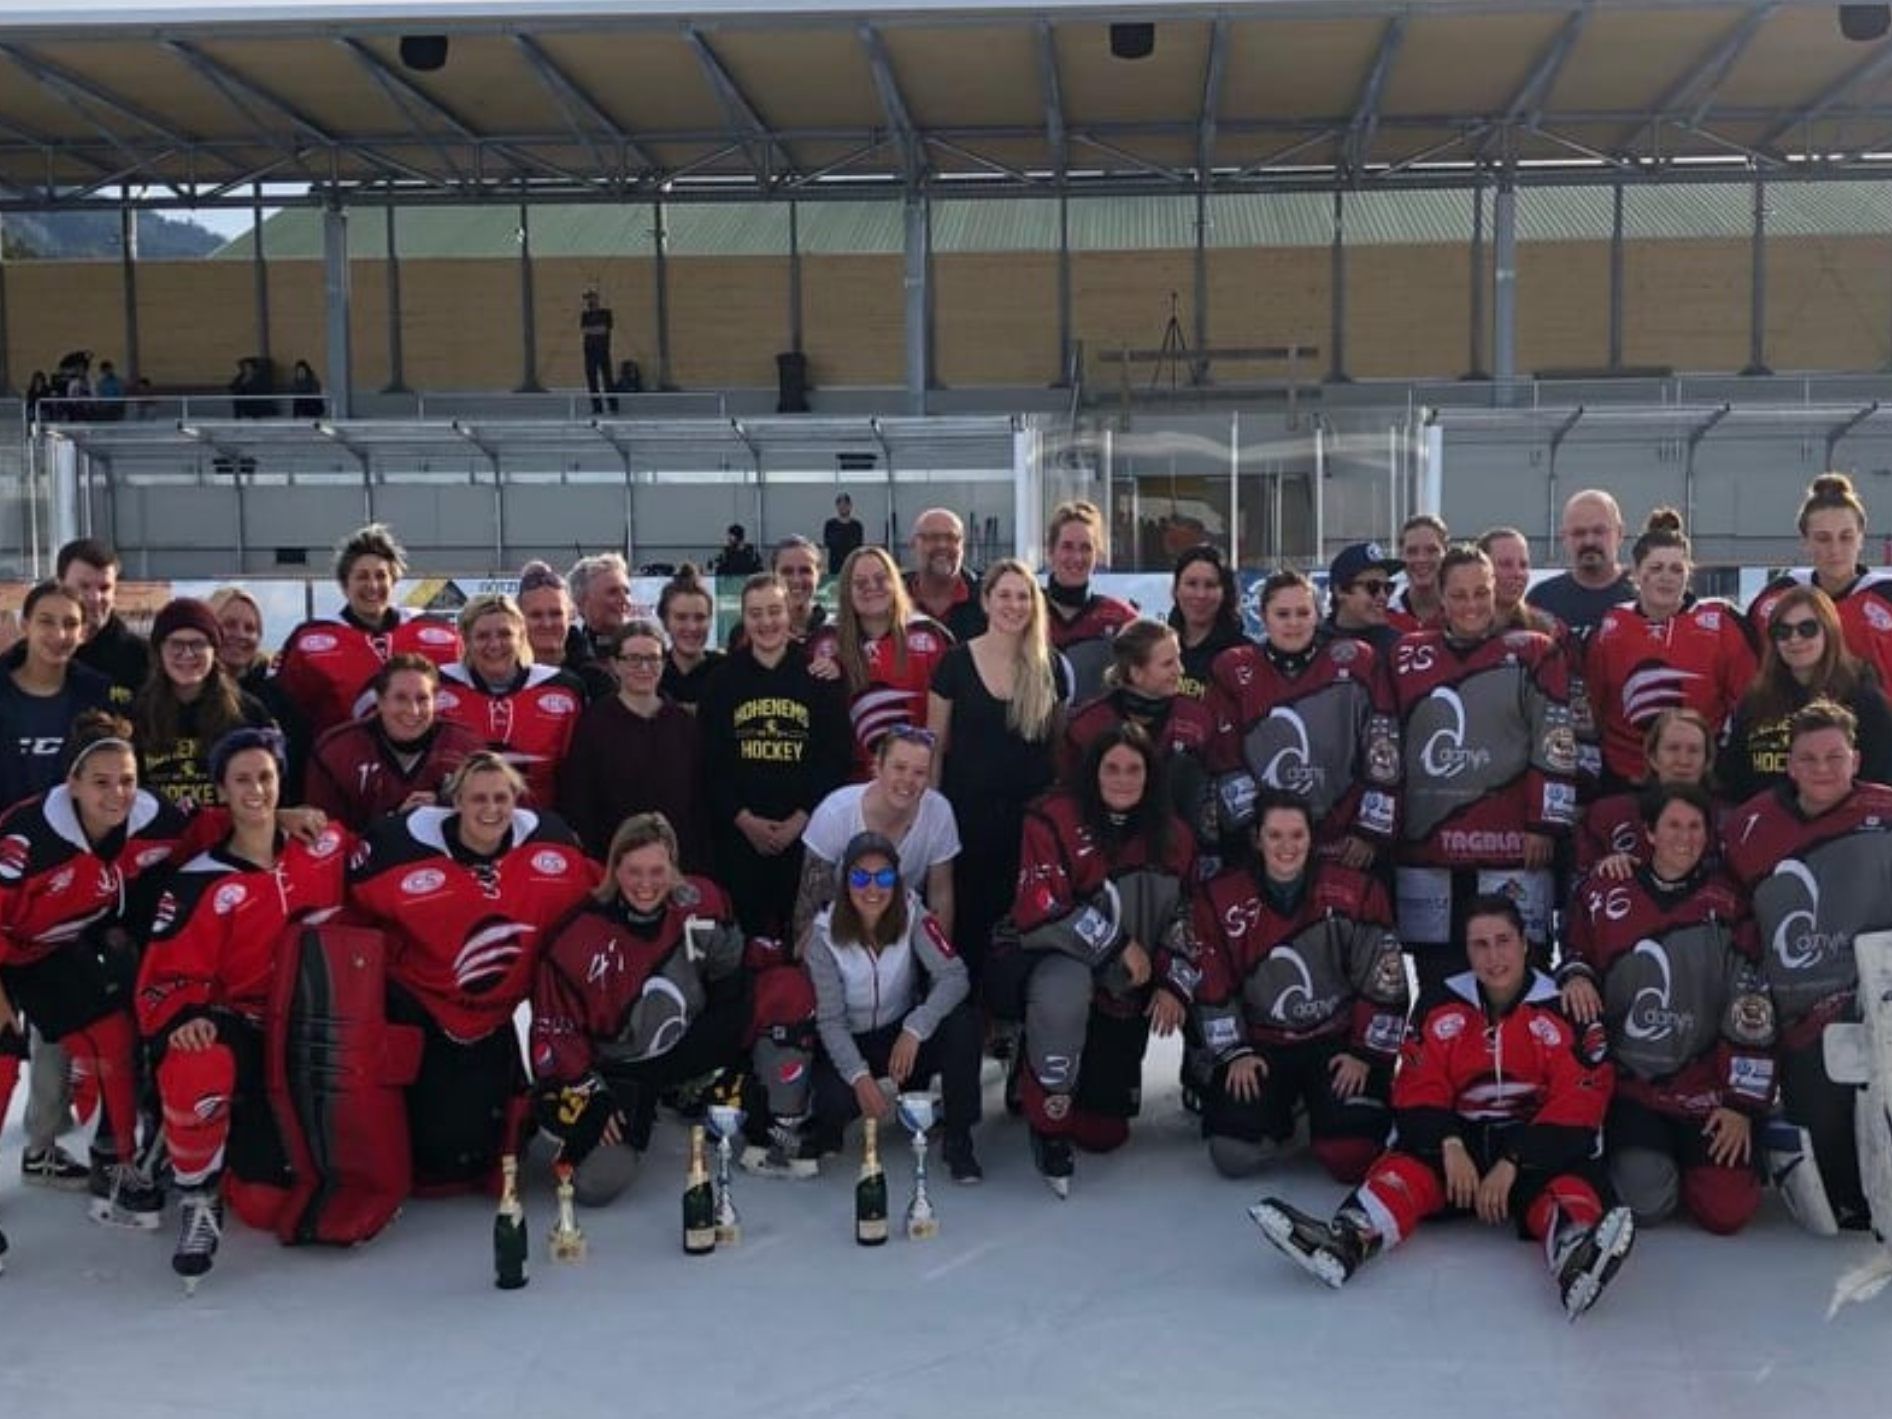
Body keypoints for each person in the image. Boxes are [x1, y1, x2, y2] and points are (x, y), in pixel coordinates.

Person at [1250, 895, 1634, 1320]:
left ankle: (1574, 1252)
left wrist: (1512, 1161)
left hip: (1534, 1146)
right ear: (1467, 951)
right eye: (1480, 945)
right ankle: (1348, 1239)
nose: (1493, 956)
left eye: (1503, 941)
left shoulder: (1567, 1006)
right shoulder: (1439, 1001)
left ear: (1526, 943)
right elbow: (1417, 1086)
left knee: (1570, 1183)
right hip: (1461, 1143)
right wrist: (1450, 1145)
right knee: (1404, 1170)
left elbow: (1580, 1101)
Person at [137, 728, 348, 1282]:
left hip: (319, 1033)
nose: (256, 789)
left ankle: (220, 1143)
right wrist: (184, 1018)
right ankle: (196, 1188)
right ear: (221, 791)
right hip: (247, 1034)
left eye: (266, 777)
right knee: (195, 1057)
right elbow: (162, 979)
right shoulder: (199, 883)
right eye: (242, 779)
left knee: (277, 1204)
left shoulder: (324, 846)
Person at [0, 713, 217, 1231]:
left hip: (53, 949)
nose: (117, 793)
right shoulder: (26, 837)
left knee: (115, 1036)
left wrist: (285, 816)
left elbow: (213, 829)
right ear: (71, 783)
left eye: (126, 779)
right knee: (4, 1062)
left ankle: (119, 1165)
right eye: (100, 782)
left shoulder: (152, 818)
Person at [529, 812, 819, 1200]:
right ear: (615, 868)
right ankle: (665, 1102)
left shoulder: (700, 904)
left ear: (673, 867)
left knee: (788, 987)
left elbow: (734, 966)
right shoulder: (579, 935)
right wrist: (589, 1093)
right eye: (634, 871)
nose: (646, 884)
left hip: (686, 1044)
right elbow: (553, 1027)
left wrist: (786, 957)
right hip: (623, 1071)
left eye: (657, 871)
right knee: (594, 1183)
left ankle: (778, 1121)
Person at [347, 752, 593, 1192]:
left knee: (473, 1150)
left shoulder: (552, 845)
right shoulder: (396, 847)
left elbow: (600, 900)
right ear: (455, 801)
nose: (491, 808)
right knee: (430, 1151)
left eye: (502, 797)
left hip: (501, 1019)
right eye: (478, 798)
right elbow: (350, 912)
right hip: (424, 1010)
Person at [1560, 784, 1774, 1235]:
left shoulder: (1730, 906)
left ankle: (1731, 1155)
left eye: (1695, 826)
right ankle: (1649, 1158)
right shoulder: (1605, 890)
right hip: (1634, 1089)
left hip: (1706, 1090)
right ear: (1649, 833)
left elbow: (1751, 1004)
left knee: (1727, 1212)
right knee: (1648, 1204)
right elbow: (1575, 948)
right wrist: (1576, 974)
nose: (1685, 836)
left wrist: (1741, 1104)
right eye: (1673, 825)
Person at [998, 725, 1195, 1194]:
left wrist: (1173, 982)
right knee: (1064, 988)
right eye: (1111, 768)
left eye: (1134, 769)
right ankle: (1047, 1119)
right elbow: (1040, 908)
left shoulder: (1175, 837)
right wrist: (1116, 943)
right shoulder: (1051, 818)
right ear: (1092, 771)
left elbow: (1190, 914)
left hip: (1127, 985)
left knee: (1104, 1133)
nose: (1123, 779)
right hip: (1052, 959)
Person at [1723, 700, 1892, 1232]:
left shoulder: (1886, 812)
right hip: (1800, 1015)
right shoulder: (1750, 826)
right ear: (1789, 765)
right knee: (1829, 1154)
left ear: (1856, 759)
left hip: (1879, 998)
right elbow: (1731, 913)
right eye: (1809, 758)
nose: (1823, 768)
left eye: (1834, 757)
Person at [1387, 545, 1577, 990]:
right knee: (1439, 982)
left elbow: (1555, 742)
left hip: (1513, 848)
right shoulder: (1406, 655)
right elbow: (1385, 746)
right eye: (1459, 595)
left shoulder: (1536, 651)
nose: (1471, 605)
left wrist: (1545, 824)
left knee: (1518, 978)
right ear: (1441, 596)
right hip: (1428, 852)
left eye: (1481, 592)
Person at [1191, 795, 1406, 1181]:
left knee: (1352, 1156)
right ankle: (1291, 1111)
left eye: (1296, 835)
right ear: (1257, 839)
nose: (1286, 847)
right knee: (1232, 1155)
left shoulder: (1356, 892)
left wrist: (1364, 1052)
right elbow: (1211, 979)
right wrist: (1234, 1051)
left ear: (1311, 838)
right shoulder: (1220, 897)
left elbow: (1384, 976)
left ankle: (1320, 1106)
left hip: (1334, 1041)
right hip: (1263, 1044)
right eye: (1274, 835)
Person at [0, 582, 110, 1191]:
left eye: (70, 623)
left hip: (66, 875)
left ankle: (41, 1143)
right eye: (47, 621)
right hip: (4, 876)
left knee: (56, 1022)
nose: (59, 634)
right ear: (24, 624)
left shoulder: (92, 692)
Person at [805, 830, 982, 1181]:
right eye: (860, 877)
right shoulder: (822, 935)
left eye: (884, 877)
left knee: (964, 1023)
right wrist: (859, 1076)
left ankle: (959, 1138)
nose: (873, 889)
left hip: (900, 1032)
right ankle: (828, 1126)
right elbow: (830, 1021)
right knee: (833, 1100)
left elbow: (954, 975)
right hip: (852, 1039)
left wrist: (916, 1028)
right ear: (845, 881)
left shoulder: (913, 912)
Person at [927, 559, 1070, 983]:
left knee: (1023, 933)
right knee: (969, 927)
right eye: (1004, 595)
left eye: (1023, 596)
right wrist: (932, 815)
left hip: (1030, 830)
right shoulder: (954, 663)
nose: (1014, 605)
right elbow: (935, 748)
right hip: (968, 822)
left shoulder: (1053, 668)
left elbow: (1059, 751)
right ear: (986, 601)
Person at [1208, 572, 1399, 868]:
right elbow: (1225, 757)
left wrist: (1370, 829)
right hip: (1267, 844)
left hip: (1344, 844)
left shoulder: (1359, 662)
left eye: (1303, 612)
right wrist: (1252, 828)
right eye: (1282, 614)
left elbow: (1383, 747)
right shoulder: (1233, 668)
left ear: (1317, 615)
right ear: (1262, 616)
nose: (1293, 623)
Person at [698, 573, 851, 937]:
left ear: (789, 613)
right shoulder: (721, 680)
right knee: (743, 941)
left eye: (774, 611)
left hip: (805, 834)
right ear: (744, 619)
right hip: (740, 836)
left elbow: (834, 758)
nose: (766, 622)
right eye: (755, 613)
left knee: (804, 940)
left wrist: (800, 819)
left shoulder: (819, 677)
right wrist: (744, 819)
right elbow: (709, 760)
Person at [1584, 509, 1756, 790]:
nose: (1667, 577)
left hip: (1698, 777)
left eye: (1676, 569)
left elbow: (1746, 702)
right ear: (1636, 574)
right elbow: (1595, 705)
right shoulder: (1612, 626)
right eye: (1656, 568)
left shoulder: (1721, 623)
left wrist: (1721, 762)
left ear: (1688, 575)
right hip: (1625, 776)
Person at [274, 523, 461, 736]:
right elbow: (289, 716)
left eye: (381, 576)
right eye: (362, 576)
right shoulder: (309, 639)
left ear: (394, 581)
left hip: (424, 760)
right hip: (345, 760)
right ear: (345, 584)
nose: (372, 585)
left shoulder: (435, 630)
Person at [557, 619, 709, 869]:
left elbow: (699, 803)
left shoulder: (683, 725)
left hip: (676, 865)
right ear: (615, 664)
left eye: (653, 658)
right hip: (612, 865)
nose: (644, 667)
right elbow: (579, 801)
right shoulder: (593, 724)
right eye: (634, 658)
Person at [1723, 584, 1892, 803]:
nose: (1795, 639)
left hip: (1844, 832)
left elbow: (1879, 785)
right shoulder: (1755, 701)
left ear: (1829, 630)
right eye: (1783, 631)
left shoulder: (1865, 701)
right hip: (1770, 828)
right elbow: (1736, 780)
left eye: (1807, 629)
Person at [1060, 620, 1215, 850]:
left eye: (1179, 659)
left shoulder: (1197, 719)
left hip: (1176, 852)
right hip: (1104, 848)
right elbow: (1068, 796)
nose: (1180, 670)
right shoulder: (1087, 725)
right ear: (1136, 673)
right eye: (1167, 664)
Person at [794, 724, 958, 942]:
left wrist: (938, 966)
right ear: (877, 767)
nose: (908, 780)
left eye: (919, 773)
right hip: (839, 932)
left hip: (902, 934)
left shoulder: (939, 812)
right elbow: (809, 909)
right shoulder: (834, 813)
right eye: (899, 768)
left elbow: (940, 899)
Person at [808, 546, 953, 775]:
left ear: (895, 583)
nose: (871, 588)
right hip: (849, 786)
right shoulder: (824, 641)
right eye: (860, 582)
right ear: (847, 590)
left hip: (915, 783)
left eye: (880, 579)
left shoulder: (930, 636)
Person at [433, 593, 586, 808]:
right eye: (483, 636)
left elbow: (578, 774)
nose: (495, 645)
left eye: (505, 634)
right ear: (466, 640)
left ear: (522, 636)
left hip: (538, 823)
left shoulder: (562, 689)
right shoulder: (438, 686)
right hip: (459, 823)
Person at [1481, 525, 1603, 787]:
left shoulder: (1552, 630)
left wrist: (1582, 779)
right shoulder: (1454, 628)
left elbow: (1579, 710)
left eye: (1523, 564)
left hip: (1538, 774)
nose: (1517, 573)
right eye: (1505, 564)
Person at [303, 654, 481, 832]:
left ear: (436, 701)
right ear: (380, 701)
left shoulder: (465, 746)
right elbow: (324, 836)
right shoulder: (337, 752)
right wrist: (393, 823)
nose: (413, 710)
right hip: (365, 856)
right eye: (400, 698)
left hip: (446, 856)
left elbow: (489, 818)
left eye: (422, 698)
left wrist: (444, 808)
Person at [1749, 474, 1892, 694]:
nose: (1835, 550)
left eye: (1846, 537)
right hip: (1791, 724)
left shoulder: (1885, 596)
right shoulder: (1777, 597)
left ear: (1862, 538)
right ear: (1805, 541)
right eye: (1823, 539)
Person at [129, 597, 274, 812]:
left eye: (198, 644)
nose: (187, 654)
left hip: (226, 836)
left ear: (214, 650)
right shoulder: (137, 712)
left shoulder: (247, 713)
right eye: (176, 644)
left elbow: (271, 783)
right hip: (155, 837)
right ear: (159, 650)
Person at [1576, 707, 1719, 879]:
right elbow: (1580, 879)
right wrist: (1604, 868)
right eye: (1673, 748)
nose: (1683, 760)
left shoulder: (1724, 823)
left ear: (1707, 761)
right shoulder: (1608, 814)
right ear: (1653, 757)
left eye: (1694, 750)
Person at [207, 586, 313, 798]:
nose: (240, 635)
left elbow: (298, 766)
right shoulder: (188, 692)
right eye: (229, 625)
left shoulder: (277, 697)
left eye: (250, 628)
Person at [1043, 500, 1136, 703]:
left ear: (1098, 554)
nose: (1077, 557)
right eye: (1067, 547)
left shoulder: (1121, 617)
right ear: (1050, 551)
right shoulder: (1026, 611)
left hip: (1096, 732)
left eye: (1086, 548)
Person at [1532, 489, 1635, 640]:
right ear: (1564, 538)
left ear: (1620, 533)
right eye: (1579, 533)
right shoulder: (1541, 601)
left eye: (1599, 531)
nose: (1589, 541)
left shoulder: (1643, 596)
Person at [57, 537, 149, 706]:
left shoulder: (142, 659)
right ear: (59, 585)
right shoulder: (32, 656)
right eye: (84, 586)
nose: (95, 598)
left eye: (104, 588)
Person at [516, 560, 615, 703]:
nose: (547, 624)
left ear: (571, 615)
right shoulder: (501, 678)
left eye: (556, 614)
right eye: (536, 615)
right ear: (519, 618)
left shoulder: (597, 682)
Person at [1166, 544, 1246, 701]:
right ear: (1176, 589)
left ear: (1225, 592)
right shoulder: (1156, 647)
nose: (1200, 595)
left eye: (1210, 585)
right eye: (1191, 584)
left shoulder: (1244, 653)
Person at [906, 507, 986, 642]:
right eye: (932, 537)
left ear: (962, 545)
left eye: (951, 538)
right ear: (913, 544)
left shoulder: (988, 598)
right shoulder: (892, 597)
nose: (942, 545)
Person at [657, 564, 723, 710]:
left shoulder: (726, 672)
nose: (692, 627)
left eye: (700, 618)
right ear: (665, 622)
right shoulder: (652, 673)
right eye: (681, 618)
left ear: (710, 621)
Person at [1323, 541, 1404, 657]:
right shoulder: (1313, 644)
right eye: (1373, 587)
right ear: (1341, 591)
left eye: (1388, 588)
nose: (1383, 596)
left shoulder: (1398, 647)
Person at [568, 551, 634, 664]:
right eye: (613, 592)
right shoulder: (566, 655)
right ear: (582, 601)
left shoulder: (648, 652)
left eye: (627, 592)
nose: (625, 600)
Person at [1386, 515, 1448, 634]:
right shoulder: (1385, 613)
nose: (1421, 559)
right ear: (1401, 556)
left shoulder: (1460, 612)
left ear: (1445, 552)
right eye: (1412, 551)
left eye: (1431, 550)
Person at [774, 535, 830, 642]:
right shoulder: (754, 635)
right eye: (787, 571)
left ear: (819, 575)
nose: (796, 580)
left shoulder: (836, 633)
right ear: (773, 575)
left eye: (805, 571)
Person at [580, 287, 618, 416]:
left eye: (592, 298)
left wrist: (593, 330)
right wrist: (594, 330)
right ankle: (597, 407)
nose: (590, 301)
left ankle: (613, 405)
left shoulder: (606, 313)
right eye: (588, 298)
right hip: (589, 350)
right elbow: (585, 330)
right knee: (592, 380)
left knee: (607, 378)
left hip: (603, 350)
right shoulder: (585, 315)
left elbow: (603, 329)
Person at [822, 493, 864, 571]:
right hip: (834, 568)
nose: (843, 507)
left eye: (845, 505)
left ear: (850, 506)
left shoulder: (857, 526)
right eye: (840, 505)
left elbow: (859, 549)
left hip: (852, 566)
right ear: (837, 507)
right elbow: (826, 549)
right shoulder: (830, 525)